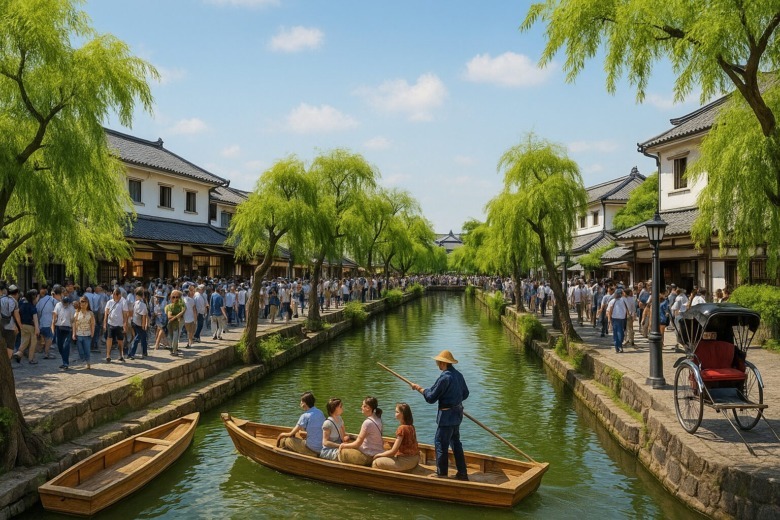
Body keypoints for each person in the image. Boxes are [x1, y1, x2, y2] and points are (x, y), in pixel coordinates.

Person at [410, 350, 470, 480]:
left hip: (447, 417)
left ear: (443, 363)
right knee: (456, 443)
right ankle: (463, 473)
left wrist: (419, 389)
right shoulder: (458, 375)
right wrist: (455, 401)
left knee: (440, 443)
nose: (437, 363)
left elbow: (431, 397)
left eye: (438, 362)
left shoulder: (445, 378)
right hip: (457, 414)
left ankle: (442, 474)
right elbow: (465, 394)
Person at [372, 402, 420, 472]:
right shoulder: (411, 427)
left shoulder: (401, 428)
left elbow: (393, 451)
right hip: (415, 459)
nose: (395, 414)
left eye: (397, 412)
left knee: (376, 462)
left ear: (403, 414)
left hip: (406, 462)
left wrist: (378, 455)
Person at [277, 391, 326, 457]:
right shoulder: (320, 412)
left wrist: (281, 434)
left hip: (313, 448)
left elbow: (291, 434)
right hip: (322, 446)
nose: (300, 403)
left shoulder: (305, 416)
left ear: (304, 404)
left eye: (301, 401)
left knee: (287, 440)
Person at [338, 396, 384, 466]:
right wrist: (351, 437)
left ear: (368, 408)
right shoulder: (378, 419)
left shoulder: (367, 423)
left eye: (363, 405)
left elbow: (357, 444)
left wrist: (344, 446)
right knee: (349, 442)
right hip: (377, 452)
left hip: (368, 456)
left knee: (342, 452)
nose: (361, 407)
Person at [14, 290, 39, 364]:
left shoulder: (21, 303)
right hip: (31, 326)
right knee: (33, 343)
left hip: (22, 325)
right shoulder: (32, 306)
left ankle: (19, 353)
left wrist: (19, 324)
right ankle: (31, 359)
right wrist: (37, 328)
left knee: (24, 341)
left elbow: (17, 313)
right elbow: (35, 318)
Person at [104, 288, 129, 363]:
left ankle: (121, 355)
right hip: (110, 323)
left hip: (119, 324)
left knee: (120, 340)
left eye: (117, 295)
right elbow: (106, 313)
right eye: (114, 294)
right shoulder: (109, 302)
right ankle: (108, 355)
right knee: (109, 338)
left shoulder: (123, 302)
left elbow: (125, 315)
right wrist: (104, 323)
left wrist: (125, 324)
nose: (115, 296)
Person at [52, 296, 76, 369]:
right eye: (64, 303)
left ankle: (65, 363)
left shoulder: (71, 308)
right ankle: (64, 360)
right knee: (59, 346)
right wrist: (52, 328)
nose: (65, 304)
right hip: (59, 327)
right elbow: (54, 315)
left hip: (68, 328)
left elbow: (73, 320)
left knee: (66, 346)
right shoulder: (58, 305)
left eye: (66, 303)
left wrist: (74, 332)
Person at [72, 296, 95, 369]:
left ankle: (88, 362)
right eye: (82, 303)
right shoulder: (77, 313)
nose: (83, 305)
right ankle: (83, 359)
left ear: (87, 304)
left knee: (87, 349)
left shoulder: (90, 313)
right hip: (79, 334)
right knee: (80, 350)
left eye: (85, 303)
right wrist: (73, 333)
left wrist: (92, 332)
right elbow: (74, 324)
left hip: (87, 334)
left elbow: (92, 324)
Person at [607, 288, 630, 353]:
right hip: (620, 319)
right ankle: (619, 346)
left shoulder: (613, 301)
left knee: (616, 333)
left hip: (617, 318)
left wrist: (609, 319)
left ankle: (617, 346)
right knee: (620, 332)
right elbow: (628, 308)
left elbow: (609, 310)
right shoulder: (623, 300)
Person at [128, 287, 149, 359]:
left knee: (143, 337)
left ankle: (144, 352)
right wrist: (144, 325)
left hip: (134, 322)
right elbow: (144, 316)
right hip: (139, 324)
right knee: (138, 338)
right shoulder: (143, 305)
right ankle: (131, 353)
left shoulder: (135, 303)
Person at [166, 290, 186, 356]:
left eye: (177, 297)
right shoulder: (169, 306)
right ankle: (174, 349)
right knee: (172, 337)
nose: (175, 299)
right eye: (173, 297)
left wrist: (174, 317)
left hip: (178, 323)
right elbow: (169, 316)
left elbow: (183, 312)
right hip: (171, 324)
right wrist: (177, 316)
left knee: (175, 337)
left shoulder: (181, 304)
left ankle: (174, 350)